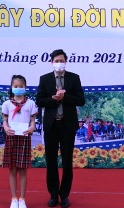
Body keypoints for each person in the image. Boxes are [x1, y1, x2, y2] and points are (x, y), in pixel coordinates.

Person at [35, 49, 85, 208]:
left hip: (67, 125)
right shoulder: (45, 79)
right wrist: (54, 99)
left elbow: (81, 100)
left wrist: (65, 97)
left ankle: (64, 195)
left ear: (66, 61)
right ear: (51, 62)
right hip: (51, 125)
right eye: (56, 61)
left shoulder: (73, 78)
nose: (59, 63)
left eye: (61, 60)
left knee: (67, 161)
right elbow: (39, 101)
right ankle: (53, 194)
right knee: (51, 161)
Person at [2, 75, 37, 208]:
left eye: (21, 86)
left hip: (24, 137)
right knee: (12, 169)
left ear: (25, 87)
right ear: (11, 87)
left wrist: (32, 127)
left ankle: (22, 198)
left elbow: (33, 121)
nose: (18, 88)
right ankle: (14, 198)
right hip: (11, 137)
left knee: (23, 170)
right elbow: (5, 120)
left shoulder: (30, 103)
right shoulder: (7, 104)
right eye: (15, 86)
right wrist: (6, 128)